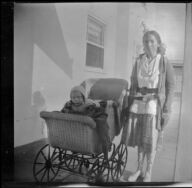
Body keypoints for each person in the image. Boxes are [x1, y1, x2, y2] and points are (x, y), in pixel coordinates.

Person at [121, 30, 175, 182]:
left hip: (154, 105)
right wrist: (128, 95)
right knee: (140, 138)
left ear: (158, 43)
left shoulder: (163, 61)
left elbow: (171, 86)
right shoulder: (138, 61)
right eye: (145, 41)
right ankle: (139, 169)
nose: (148, 44)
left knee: (150, 140)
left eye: (152, 41)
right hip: (138, 103)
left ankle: (149, 172)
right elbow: (133, 82)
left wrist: (167, 108)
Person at [61, 85, 111, 160]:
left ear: (83, 97)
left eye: (78, 97)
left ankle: (105, 146)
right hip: (78, 121)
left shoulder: (89, 104)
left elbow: (90, 114)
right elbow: (63, 111)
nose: (76, 100)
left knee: (101, 125)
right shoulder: (69, 104)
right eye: (73, 98)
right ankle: (75, 145)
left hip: (95, 114)